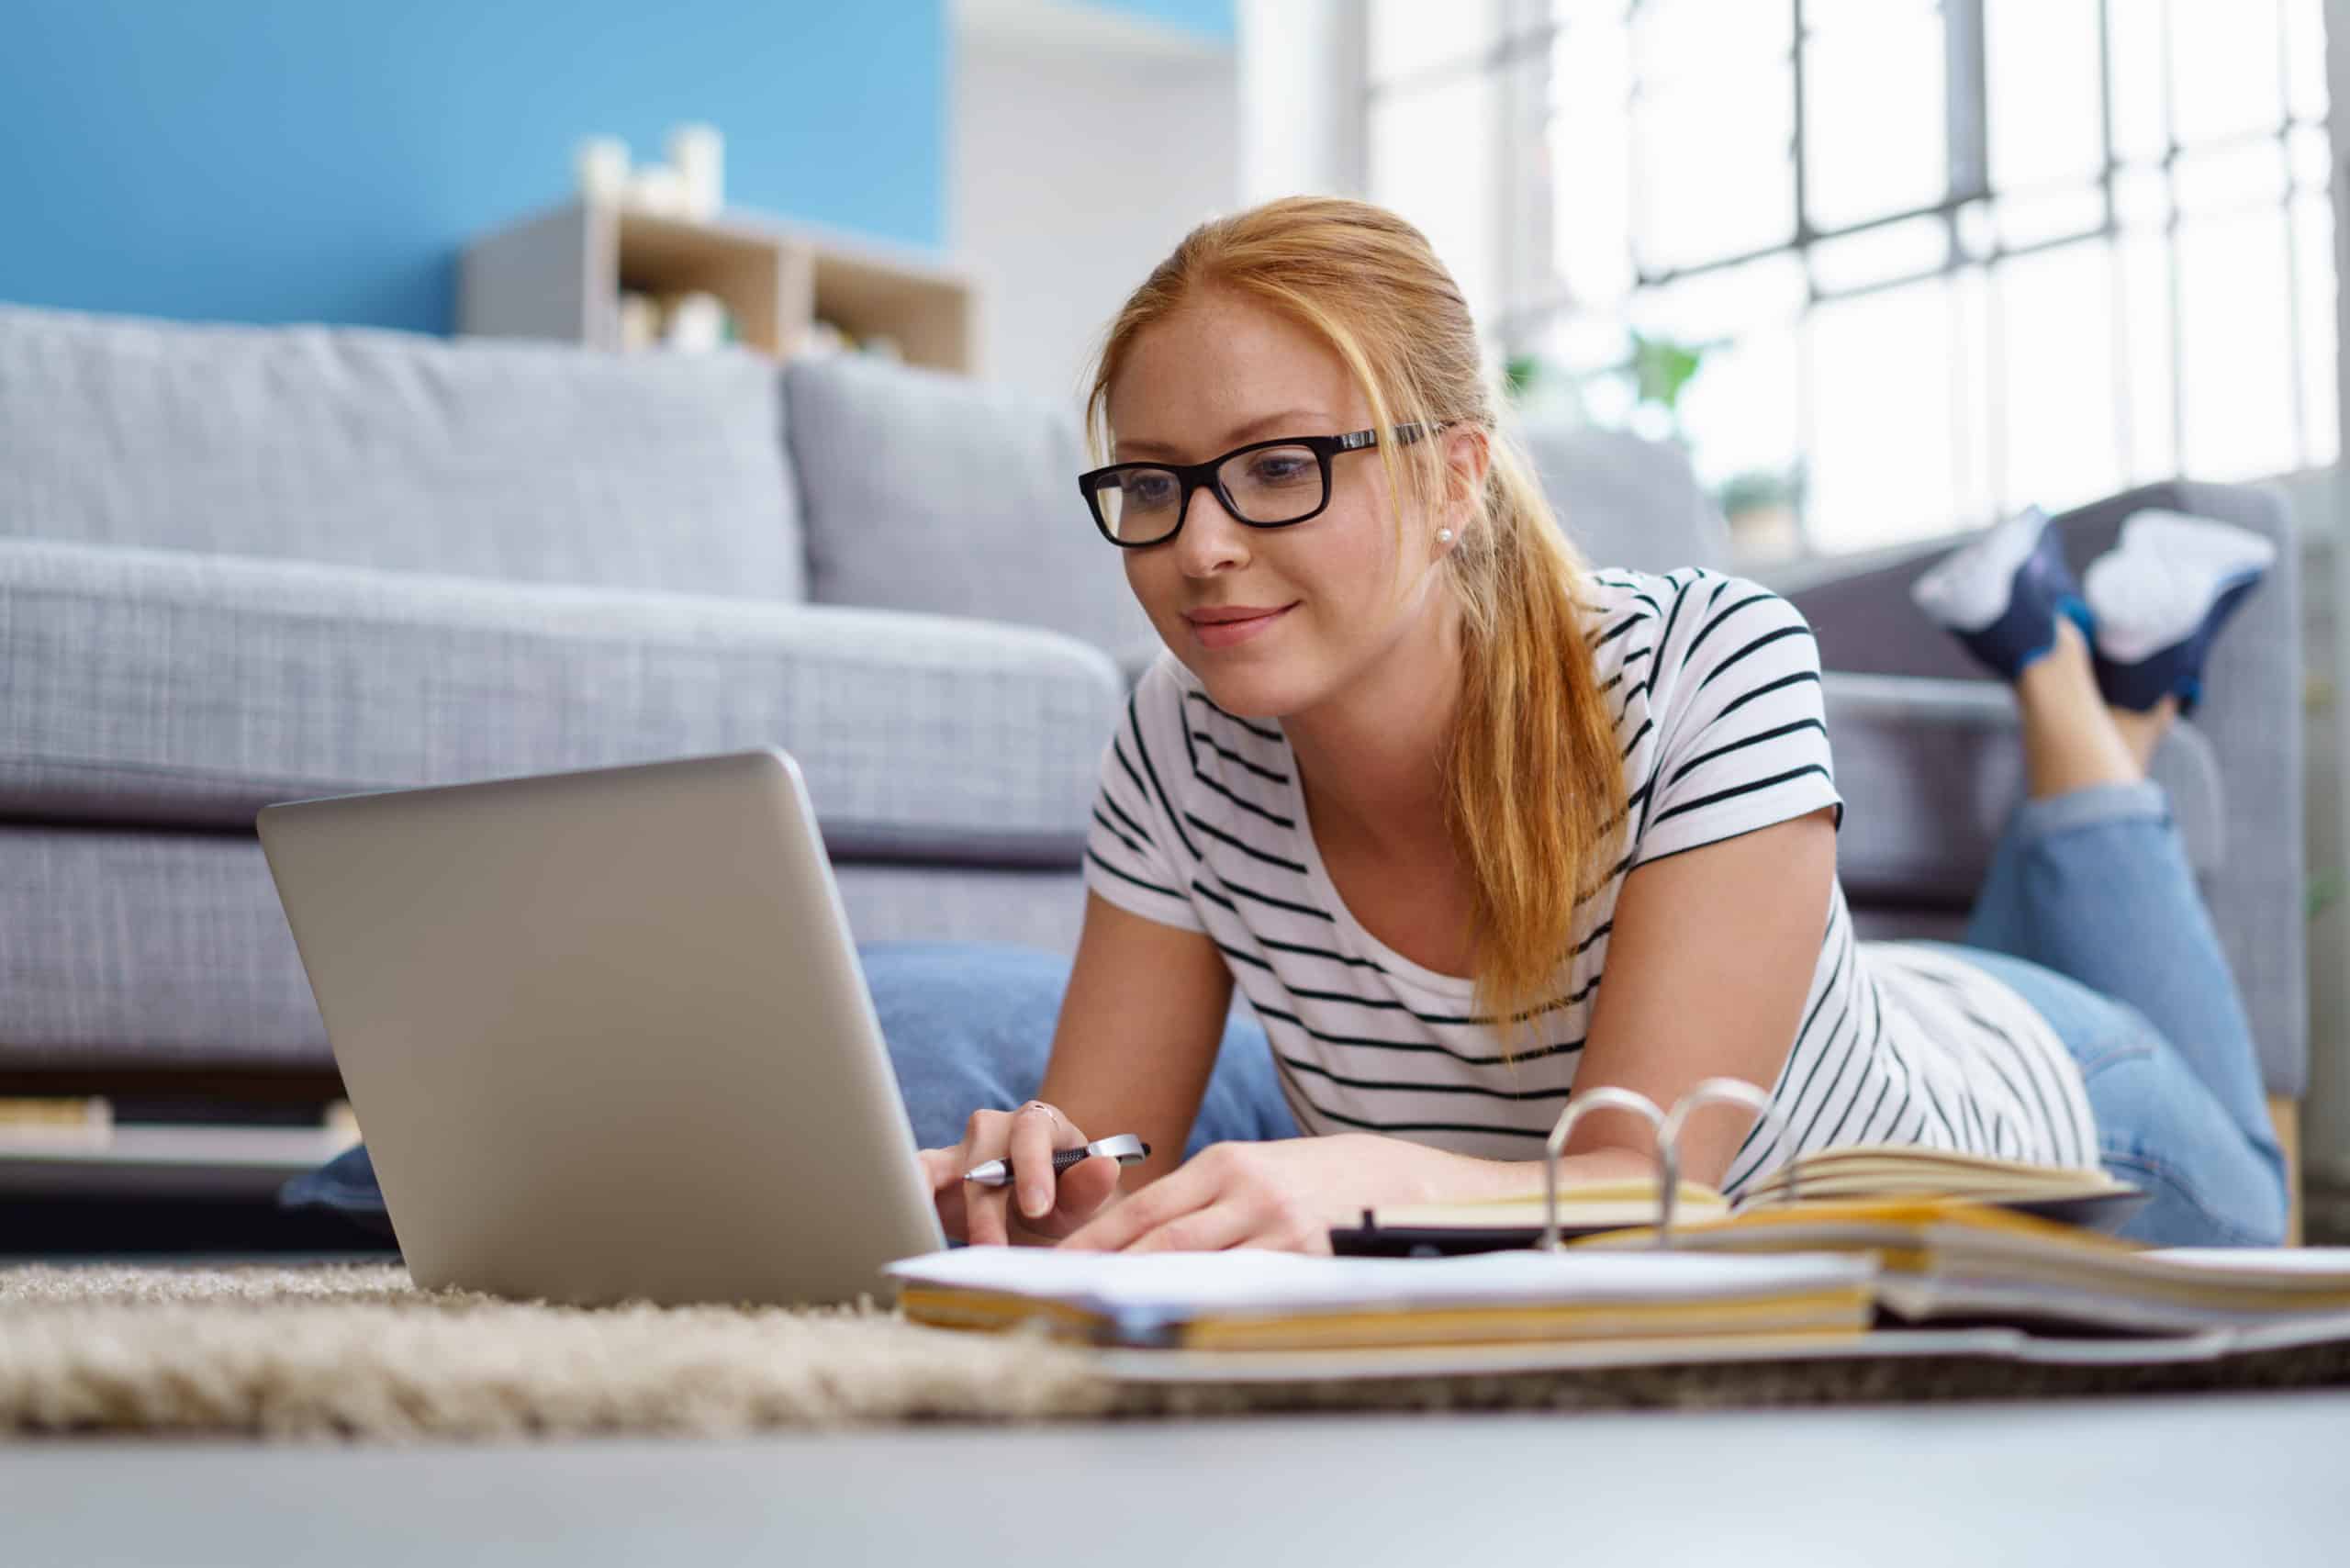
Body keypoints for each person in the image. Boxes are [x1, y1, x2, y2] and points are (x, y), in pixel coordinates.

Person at [910, 195, 2288, 1254]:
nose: (1199, 546)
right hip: (1860, 1015)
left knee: (2263, 1188)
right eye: (1152, 487)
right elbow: (1118, 1169)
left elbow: (1660, 1193)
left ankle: (2064, 677)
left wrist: (1358, 1190)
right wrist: (1047, 1194)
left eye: (1278, 467)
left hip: (2067, 1128)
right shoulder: (1177, 738)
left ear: (1455, 479)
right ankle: (2108, 688)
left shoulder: (1709, 660)